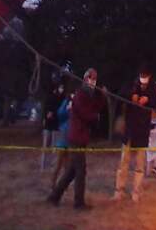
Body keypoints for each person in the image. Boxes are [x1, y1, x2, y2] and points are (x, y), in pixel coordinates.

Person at [49, 69, 105, 210]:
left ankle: (54, 196)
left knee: (72, 170)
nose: (93, 80)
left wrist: (102, 95)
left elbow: (97, 107)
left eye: (95, 78)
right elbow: (86, 114)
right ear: (85, 78)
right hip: (76, 136)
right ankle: (78, 203)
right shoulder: (80, 95)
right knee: (80, 170)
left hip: (81, 136)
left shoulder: (89, 94)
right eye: (91, 78)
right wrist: (95, 117)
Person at [114, 64, 156, 203]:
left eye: (145, 76)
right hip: (129, 129)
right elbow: (120, 94)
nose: (143, 78)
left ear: (150, 76)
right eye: (141, 75)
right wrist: (132, 95)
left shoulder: (153, 87)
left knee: (140, 164)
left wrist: (147, 99)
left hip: (142, 130)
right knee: (124, 161)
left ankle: (136, 192)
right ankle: (119, 190)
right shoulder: (131, 83)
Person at [41, 83, 62, 173]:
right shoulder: (49, 98)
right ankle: (44, 166)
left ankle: (53, 167)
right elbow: (46, 112)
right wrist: (46, 116)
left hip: (55, 127)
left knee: (54, 148)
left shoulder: (60, 99)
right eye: (61, 88)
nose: (62, 89)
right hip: (49, 127)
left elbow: (59, 112)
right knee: (46, 147)